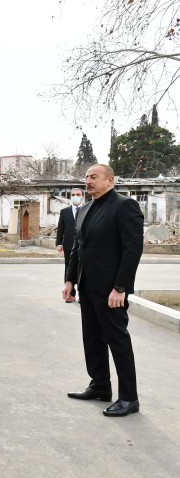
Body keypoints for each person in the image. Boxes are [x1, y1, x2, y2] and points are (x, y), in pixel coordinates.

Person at [63, 164, 144, 417]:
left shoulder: (124, 206)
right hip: (87, 286)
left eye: (93, 177)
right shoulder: (85, 209)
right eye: (86, 177)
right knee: (92, 339)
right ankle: (99, 386)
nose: (88, 181)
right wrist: (69, 281)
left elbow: (132, 250)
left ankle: (129, 398)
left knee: (118, 340)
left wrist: (120, 287)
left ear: (110, 180)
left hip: (111, 290)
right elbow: (78, 248)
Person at [56, 188, 84, 303]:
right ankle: (70, 294)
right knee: (68, 269)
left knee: (83, 270)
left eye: (78, 194)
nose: (75, 196)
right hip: (68, 245)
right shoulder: (64, 212)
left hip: (83, 246)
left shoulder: (87, 210)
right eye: (73, 195)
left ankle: (83, 295)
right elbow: (60, 228)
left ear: (82, 196)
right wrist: (58, 243)